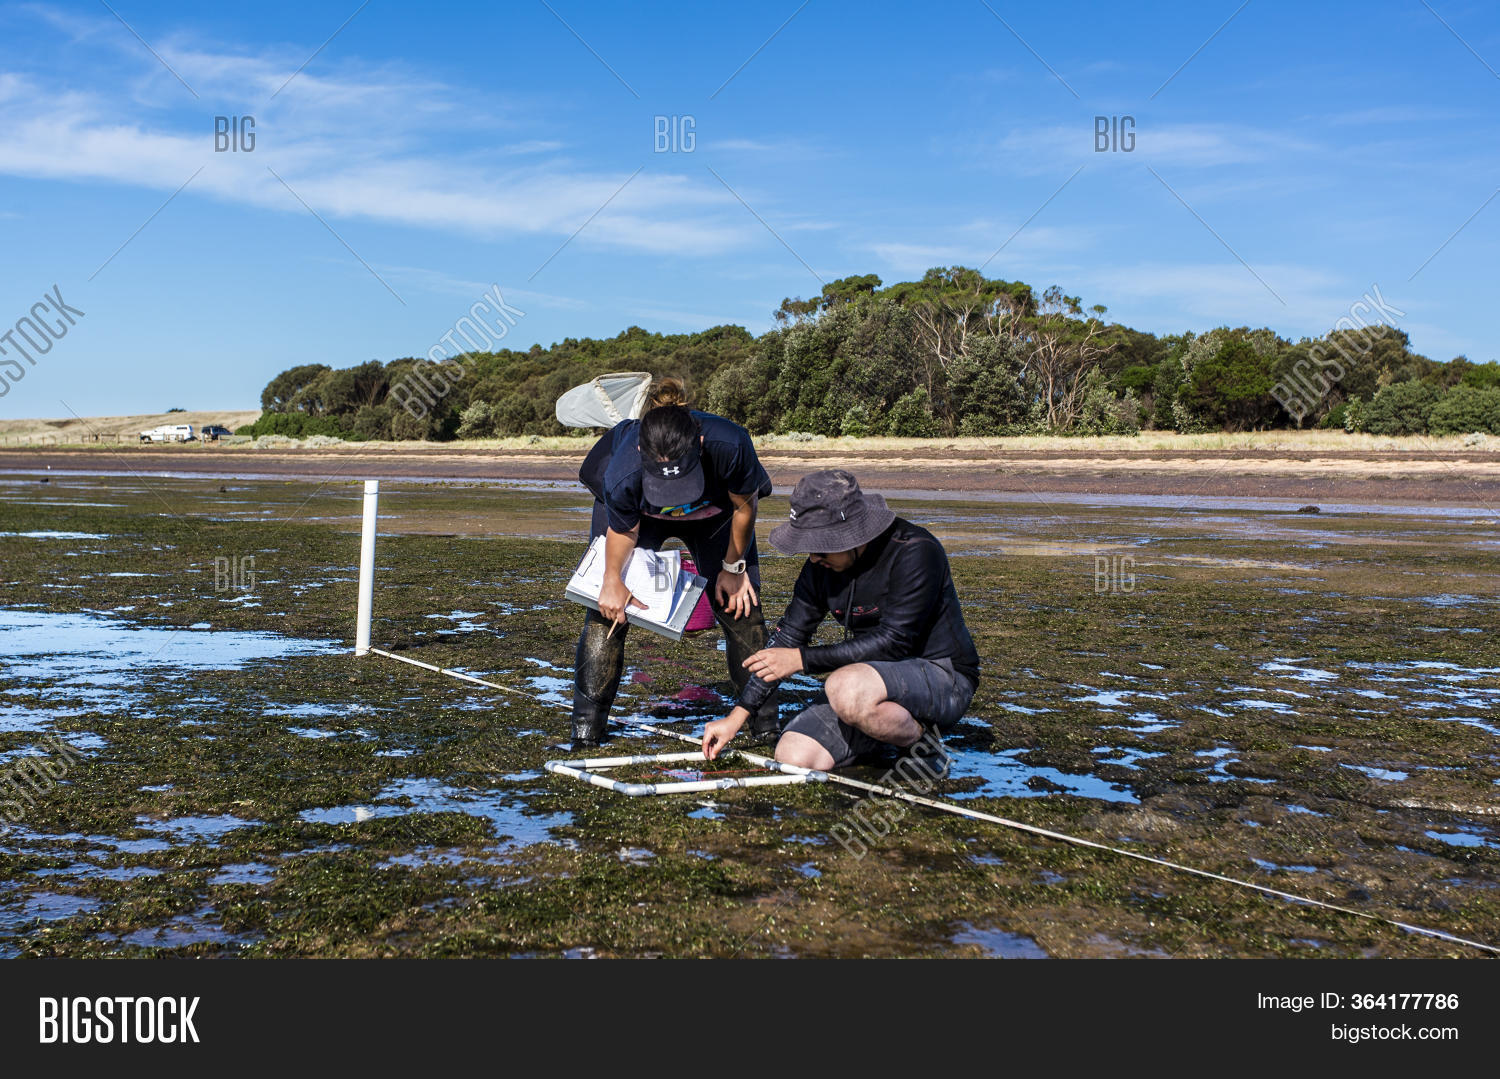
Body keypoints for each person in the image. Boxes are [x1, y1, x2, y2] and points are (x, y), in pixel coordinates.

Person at [702, 469, 979, 774]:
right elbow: (787, 638)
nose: (813, 557)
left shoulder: (916, 551)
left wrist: (801, 660)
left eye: (821, 546)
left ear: (853, 535)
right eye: (809, 547)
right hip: (870, 684)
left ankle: (920, 740)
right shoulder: (819, 567)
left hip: (942, 677)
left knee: (844, 688)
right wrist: (738, 715)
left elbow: (895, 642)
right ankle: (882, 730)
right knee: (793, 755)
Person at [572, 378, 780, 747]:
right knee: (607, 612)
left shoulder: (729, 444)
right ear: (641, 450)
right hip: (639, 518)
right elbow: (624, 531)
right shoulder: (622, 471)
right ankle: (586, 732)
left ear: (699, 444)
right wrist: (612, 580)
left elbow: (744, 506)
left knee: (741, 607)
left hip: (714, 515)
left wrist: (734, 568)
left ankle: (764, 728)